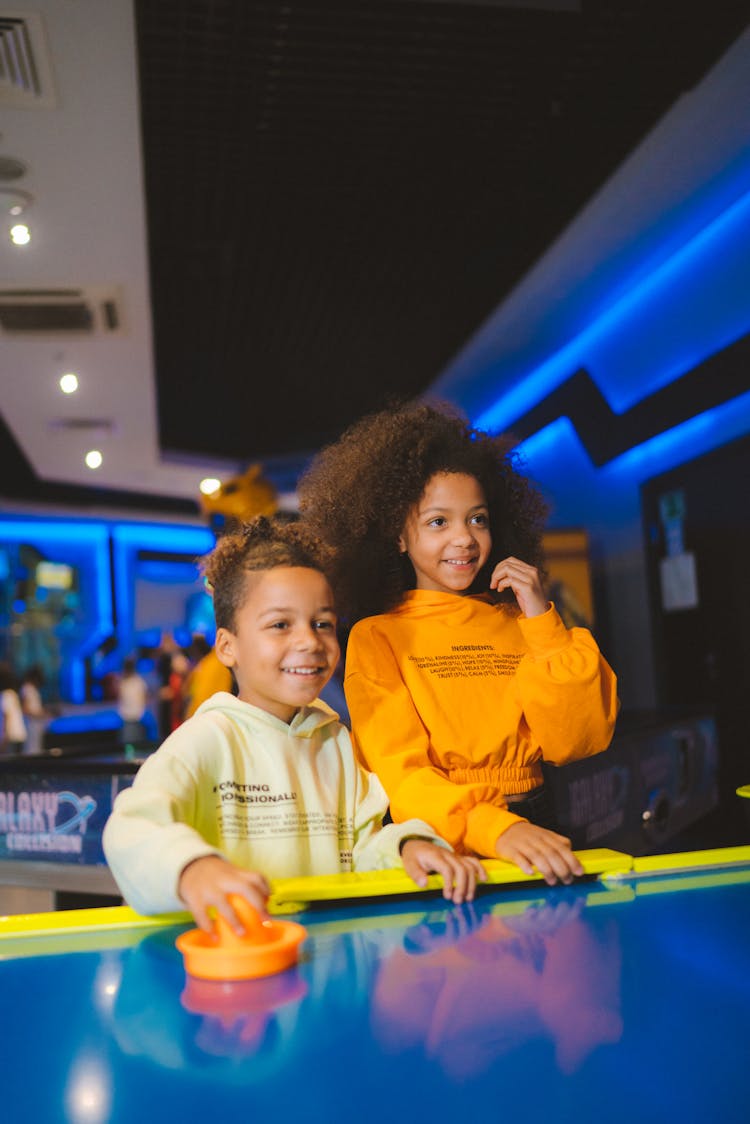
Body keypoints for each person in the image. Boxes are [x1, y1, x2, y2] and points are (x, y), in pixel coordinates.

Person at [103, 516, 485, 932]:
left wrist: (406, 846)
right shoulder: (207, 739)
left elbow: (363, 845)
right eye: (280, 625)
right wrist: (193, 869)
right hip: (239, 965)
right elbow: (130, 828)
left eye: (321, 623)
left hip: (327, 961)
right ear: (228, 647)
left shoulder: (335, 741)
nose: (309, 641)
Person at [298, 400, 619, 885]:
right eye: (437, 522)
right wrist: (492, 828)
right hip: (443, 839)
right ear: (399, 538)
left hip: (537, 824)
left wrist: (542, 621)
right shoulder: (378, 635)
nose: (464, 539)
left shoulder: (522, 623)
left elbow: (578, 739)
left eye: (478, 519)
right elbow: (399, 773)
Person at [183, 634, 234, 718]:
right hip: (214, 711)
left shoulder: (213, 662)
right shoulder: (209, 662)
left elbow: (201, 694)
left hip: (210, 712)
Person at [116, 656, 150, 745]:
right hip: (127, 719)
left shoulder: (138, 682)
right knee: (128, 746)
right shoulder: (123, 682)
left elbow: (143, 699)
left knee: (137, 744)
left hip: (137, 719)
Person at [19, 664, 48, 754]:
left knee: (36, 747)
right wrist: (39, 714)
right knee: (31, 749)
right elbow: (25, 709)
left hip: (35, 723)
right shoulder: (27, 688)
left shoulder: (32, 689)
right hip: (30, 724)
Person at [0, 662, 27, 754]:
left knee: (9, 766)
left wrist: (4, 739)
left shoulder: (6, 695)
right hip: (18, 735)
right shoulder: (12, 694)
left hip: (10, 737)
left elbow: (6, 717)